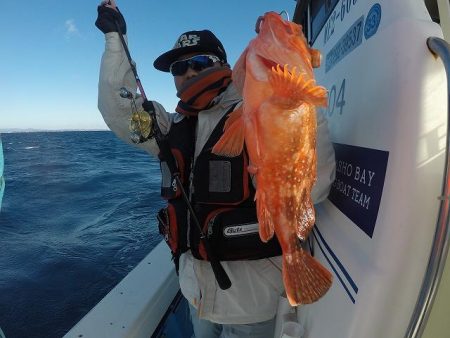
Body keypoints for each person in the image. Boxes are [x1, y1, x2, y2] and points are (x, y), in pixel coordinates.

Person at [95, 1, 336, 337]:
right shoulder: (172, 127)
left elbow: (315, 183)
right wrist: (113, 41)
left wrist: (294, 102)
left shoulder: (260, 108)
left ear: (224, 64)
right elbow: (118, 109)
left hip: (254, 302)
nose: (188, 72)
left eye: (199, 62)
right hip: (195, 291)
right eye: (179, 67)